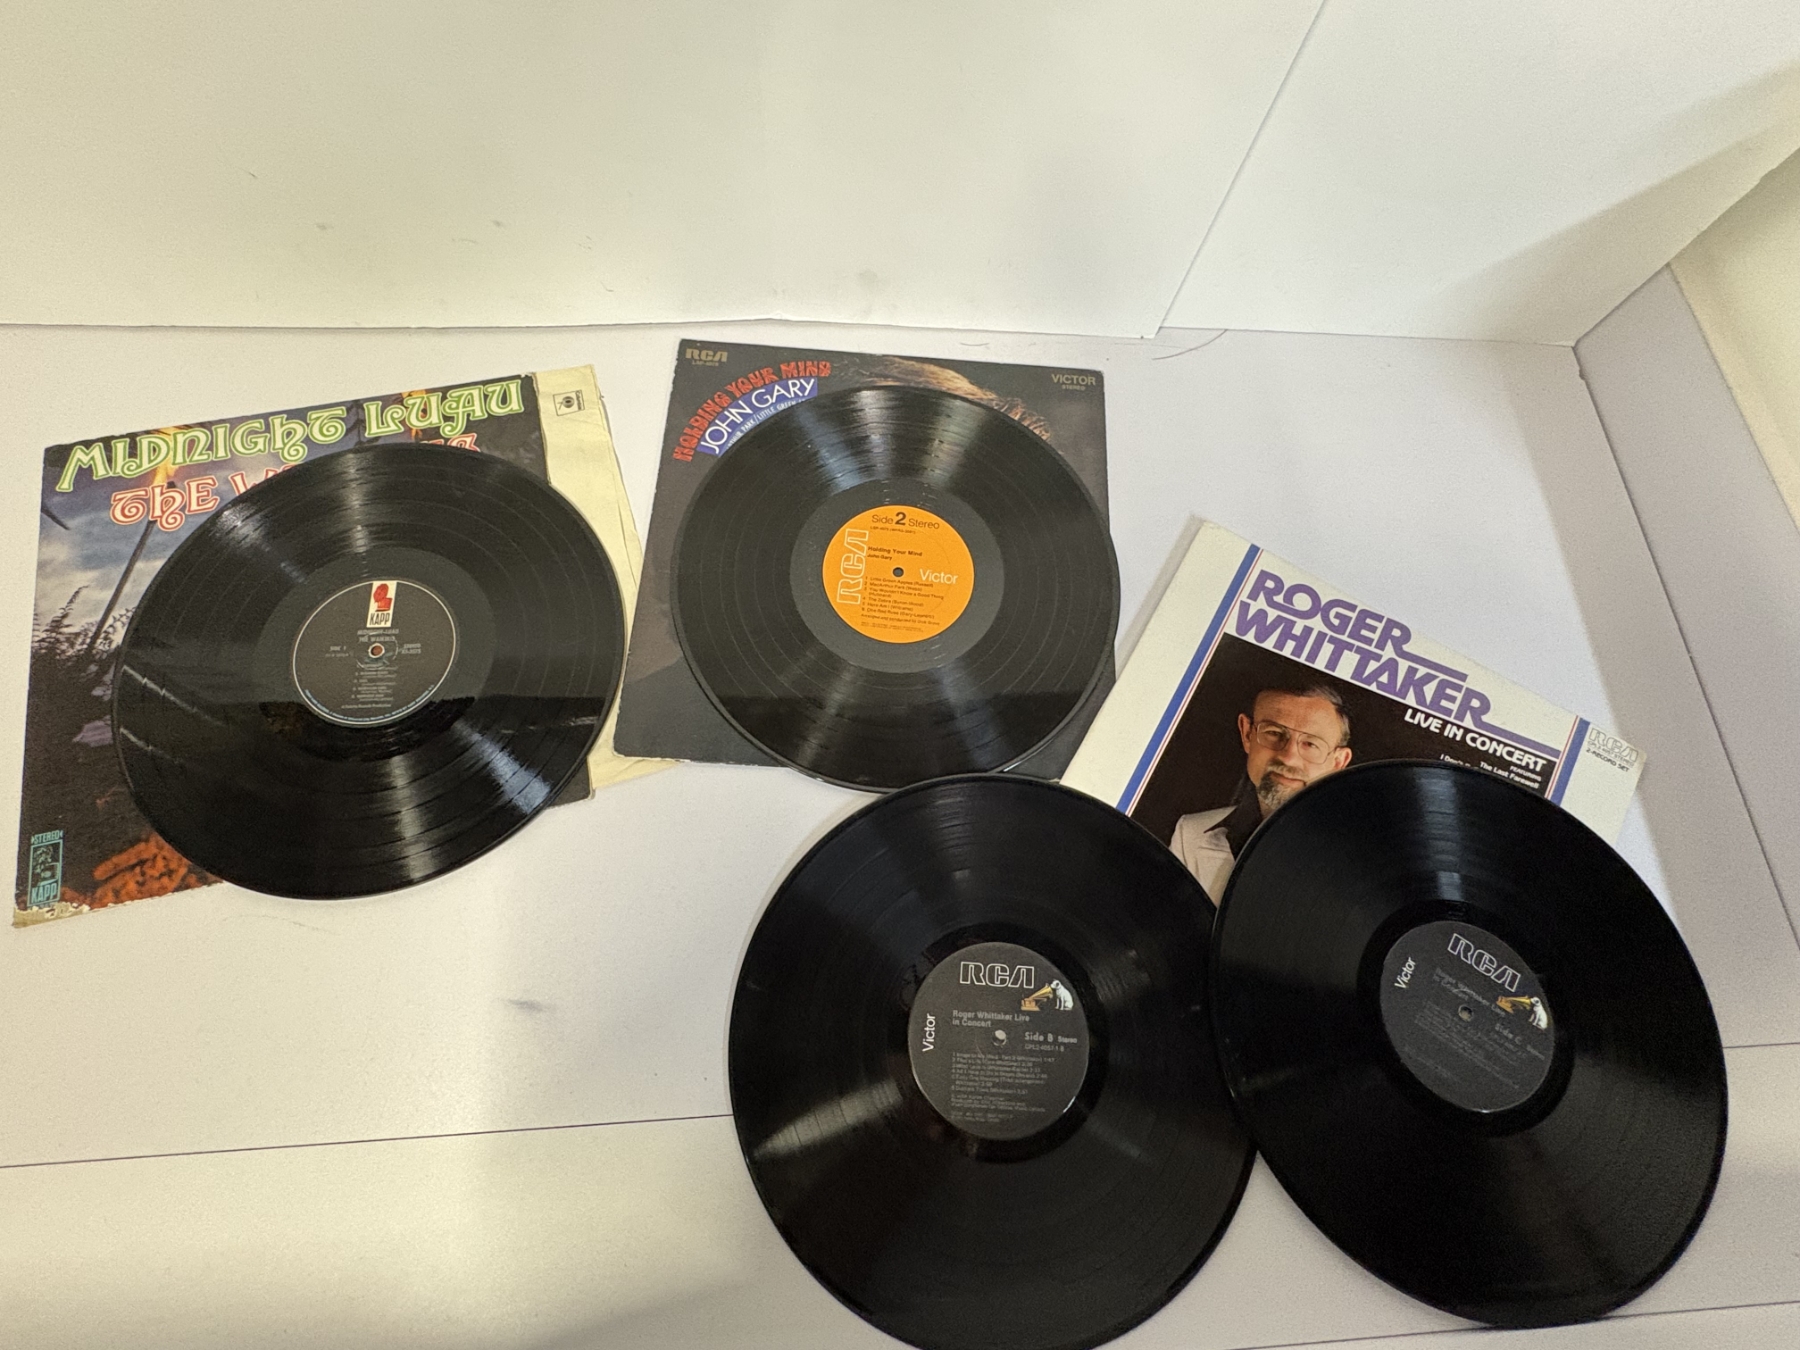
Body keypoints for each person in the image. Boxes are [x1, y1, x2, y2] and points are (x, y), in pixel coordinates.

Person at [1170, 681, 1353, 901]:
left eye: (1311, 744)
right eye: (1274, 733)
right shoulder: (1190, 833)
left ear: (1338, 762)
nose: (1288, 758)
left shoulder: (1358, 861)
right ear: (1247, 733)